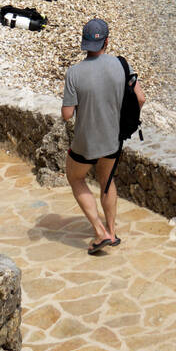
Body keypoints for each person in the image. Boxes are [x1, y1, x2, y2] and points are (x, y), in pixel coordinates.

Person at [61, 18, 145, 255]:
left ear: (85, 43)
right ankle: (112, 231)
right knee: (107, 181)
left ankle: (100, 233)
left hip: (86, 142)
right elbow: (141, 98)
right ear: (107, 41)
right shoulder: (121, 65)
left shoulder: (74, 73)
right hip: (113, 139)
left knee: (75, 177)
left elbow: (67, 115)